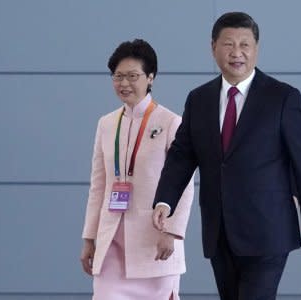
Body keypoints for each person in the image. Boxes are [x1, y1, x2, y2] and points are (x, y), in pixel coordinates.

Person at [152, 12, 301, 300]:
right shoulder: (199, 99)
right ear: (213, 48)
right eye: (228, 44)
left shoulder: (283, 97)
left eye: (245, 45)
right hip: (219, 229)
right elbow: (183, 155)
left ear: (256, 49)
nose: (237, 53)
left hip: (268, 229)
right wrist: (165, 199)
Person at [80, 39, 194, 300]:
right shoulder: (107, 124)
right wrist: (89, 238)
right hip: (111, 243)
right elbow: (98, 186)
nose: (124, 83)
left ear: (150, 78)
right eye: (118, 76)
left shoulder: (171, 122)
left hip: (154, 241)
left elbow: (183, 183)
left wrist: (172, 232)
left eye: (132, 76)